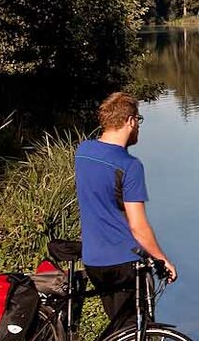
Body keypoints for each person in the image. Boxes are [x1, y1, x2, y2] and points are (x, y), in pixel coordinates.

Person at [75, 92, 178, 340]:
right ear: (130, 121)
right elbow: (138, 225)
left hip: (93, 260)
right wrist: (162, 259)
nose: (139, 128)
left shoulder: (83, 151)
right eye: (139, 121)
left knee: (119, 329)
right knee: (138, 332)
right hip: (124, 262)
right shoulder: (130, 166)